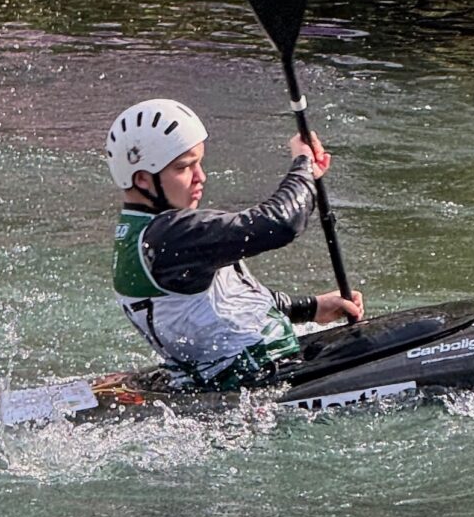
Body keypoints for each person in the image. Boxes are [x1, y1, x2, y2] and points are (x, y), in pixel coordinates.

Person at [106, 98, 364, 389]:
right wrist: (303, 166)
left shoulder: (143, 234)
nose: (200, 177)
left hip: (228, 376)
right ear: (142, 179)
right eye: (184, 168)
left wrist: (310, 308)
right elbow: (280, 224)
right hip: (255, 382)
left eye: (199, 163)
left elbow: (224, 305)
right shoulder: (170, 235)